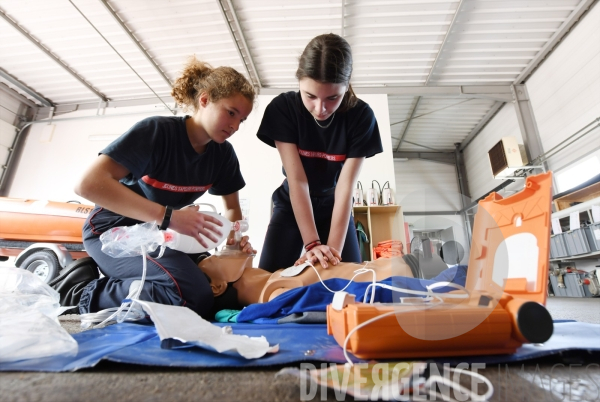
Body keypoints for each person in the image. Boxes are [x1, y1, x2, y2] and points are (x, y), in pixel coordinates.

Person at [51, 58, 256, 319]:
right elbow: (88, 184)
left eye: (242, 119)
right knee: (190, 293)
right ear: (204, 100)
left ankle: (141, 287)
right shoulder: (158, 132)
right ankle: (83, 291)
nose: (236, 126)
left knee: (222, 292)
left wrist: (233, 242)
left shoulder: (223, 155)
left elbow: (231, 208)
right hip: (111, 233)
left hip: (160, 234)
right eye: (231, 112)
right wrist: (169, 216)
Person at [256, 33, 383, 272]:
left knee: (347, 279)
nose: (320, 108)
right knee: (269, 278)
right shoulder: (283, 110)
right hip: (292, 204)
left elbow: (346, 186)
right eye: (310, 96)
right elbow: (298, 181)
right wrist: (312, 244)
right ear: (299, 83)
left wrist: (331, 255)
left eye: (332, 98)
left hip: (335, 204)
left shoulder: (361, 117)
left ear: (346, 87)